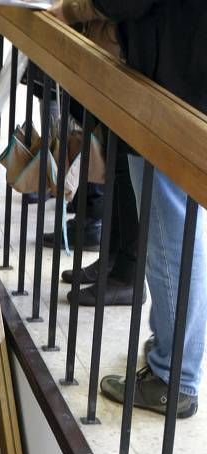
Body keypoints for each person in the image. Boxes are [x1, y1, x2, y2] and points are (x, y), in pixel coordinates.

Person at [51, 0, 207, 418]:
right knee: (178, 229)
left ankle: (172, 378)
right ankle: (172, 355)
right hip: (183, 71)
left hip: (174, 81)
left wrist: (72, 10)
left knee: (170, 234)